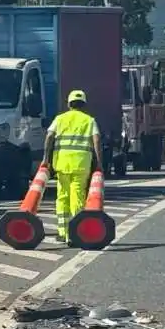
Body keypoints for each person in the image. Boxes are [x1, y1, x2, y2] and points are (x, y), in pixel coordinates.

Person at [42, 89, 104, 244]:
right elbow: (96, 140)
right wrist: (99, 163)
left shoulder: (60, 119)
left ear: (69, 104)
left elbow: (49, 136)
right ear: (84, 105)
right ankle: (76, 232)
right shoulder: (89, 121)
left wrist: (45, 159)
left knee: (62, 197)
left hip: (61, 164)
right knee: (77, 198)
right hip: (81, 165)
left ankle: (63, 232)